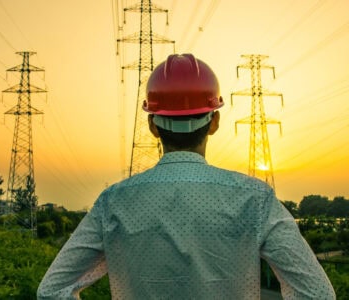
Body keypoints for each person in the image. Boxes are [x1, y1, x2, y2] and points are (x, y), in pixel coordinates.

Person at [37, 54, 335, 299]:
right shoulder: (255, 199)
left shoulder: (112, 203)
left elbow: (52, 291)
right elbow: (317, 294)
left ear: (153, 125)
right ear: (214, 121)